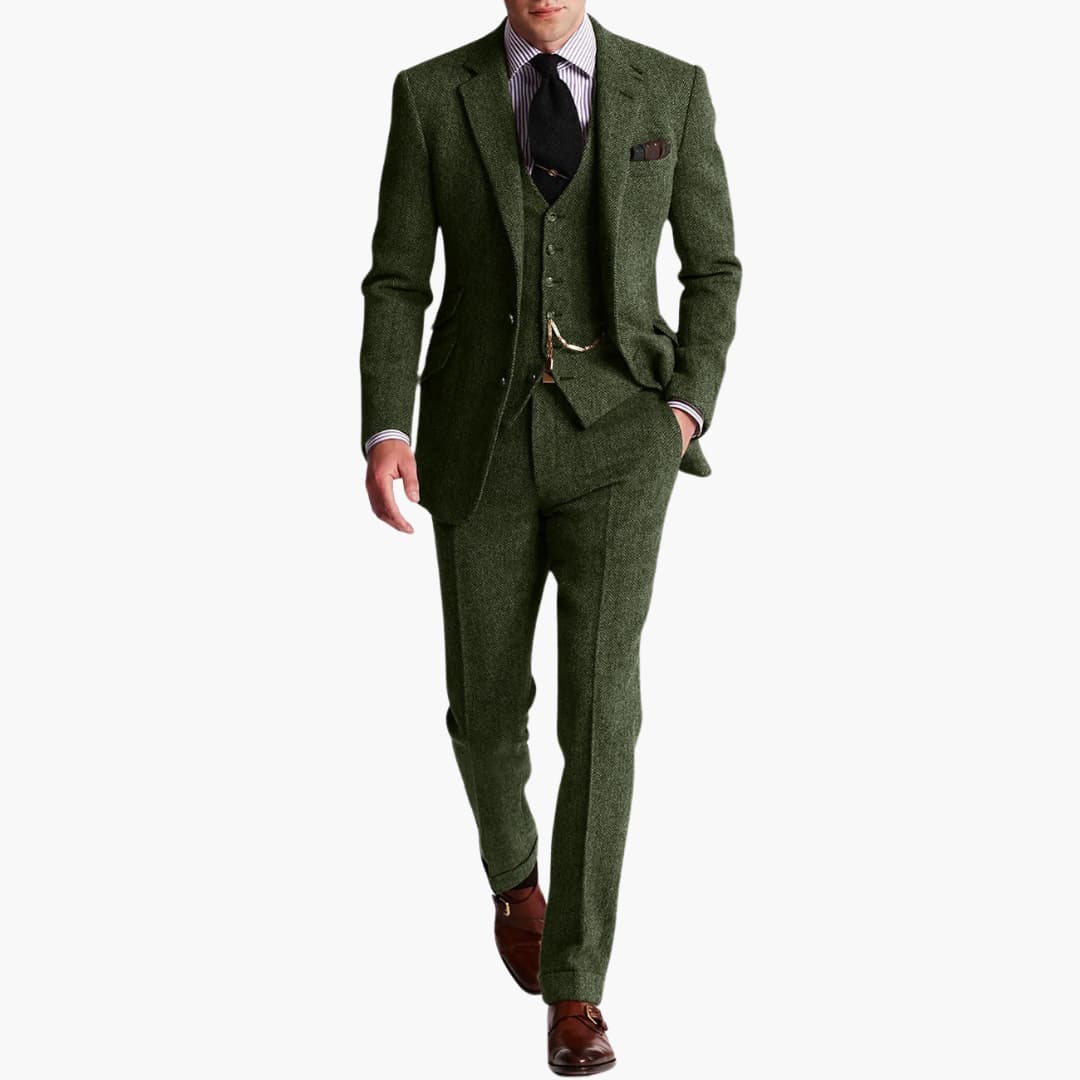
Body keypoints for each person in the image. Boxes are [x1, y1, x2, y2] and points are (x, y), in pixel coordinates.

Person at [359, 1, 740, 1072]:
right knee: (483, 707)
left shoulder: (671, 88)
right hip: (475, 440)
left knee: (603, 711)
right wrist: (387, 427)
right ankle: (512, 873)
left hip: (622, 440)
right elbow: (399, 279)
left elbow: (714, 267)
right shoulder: (431, 96)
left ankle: (578, 989)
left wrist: (683, 412)